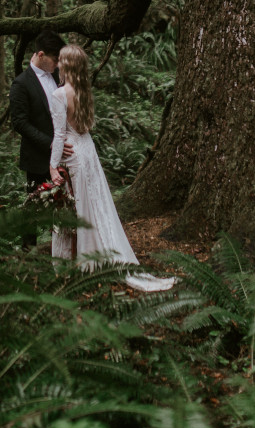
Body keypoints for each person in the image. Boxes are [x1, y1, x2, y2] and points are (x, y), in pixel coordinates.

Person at [49, 44, 175, 292]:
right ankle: (92, 257)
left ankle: (85, 264)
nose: (59, 65)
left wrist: (53, 167)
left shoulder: (60, 94)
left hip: (73, 155)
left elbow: (59, 134)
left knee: (80, 208)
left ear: (69, 65)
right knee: (94, 207)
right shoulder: (83, 91)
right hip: (88, 152)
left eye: (62, 61)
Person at [9, 30, 71, 248]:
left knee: (65, 204)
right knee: (33, 208)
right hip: (37, 156)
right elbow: (20, 123)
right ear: (41, 55)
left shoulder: (58, 76)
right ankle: (28, 254)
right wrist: (50, 142)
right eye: (55, 59)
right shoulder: (21, 84)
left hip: (64, 155)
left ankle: (63, 248)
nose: (58, 64)